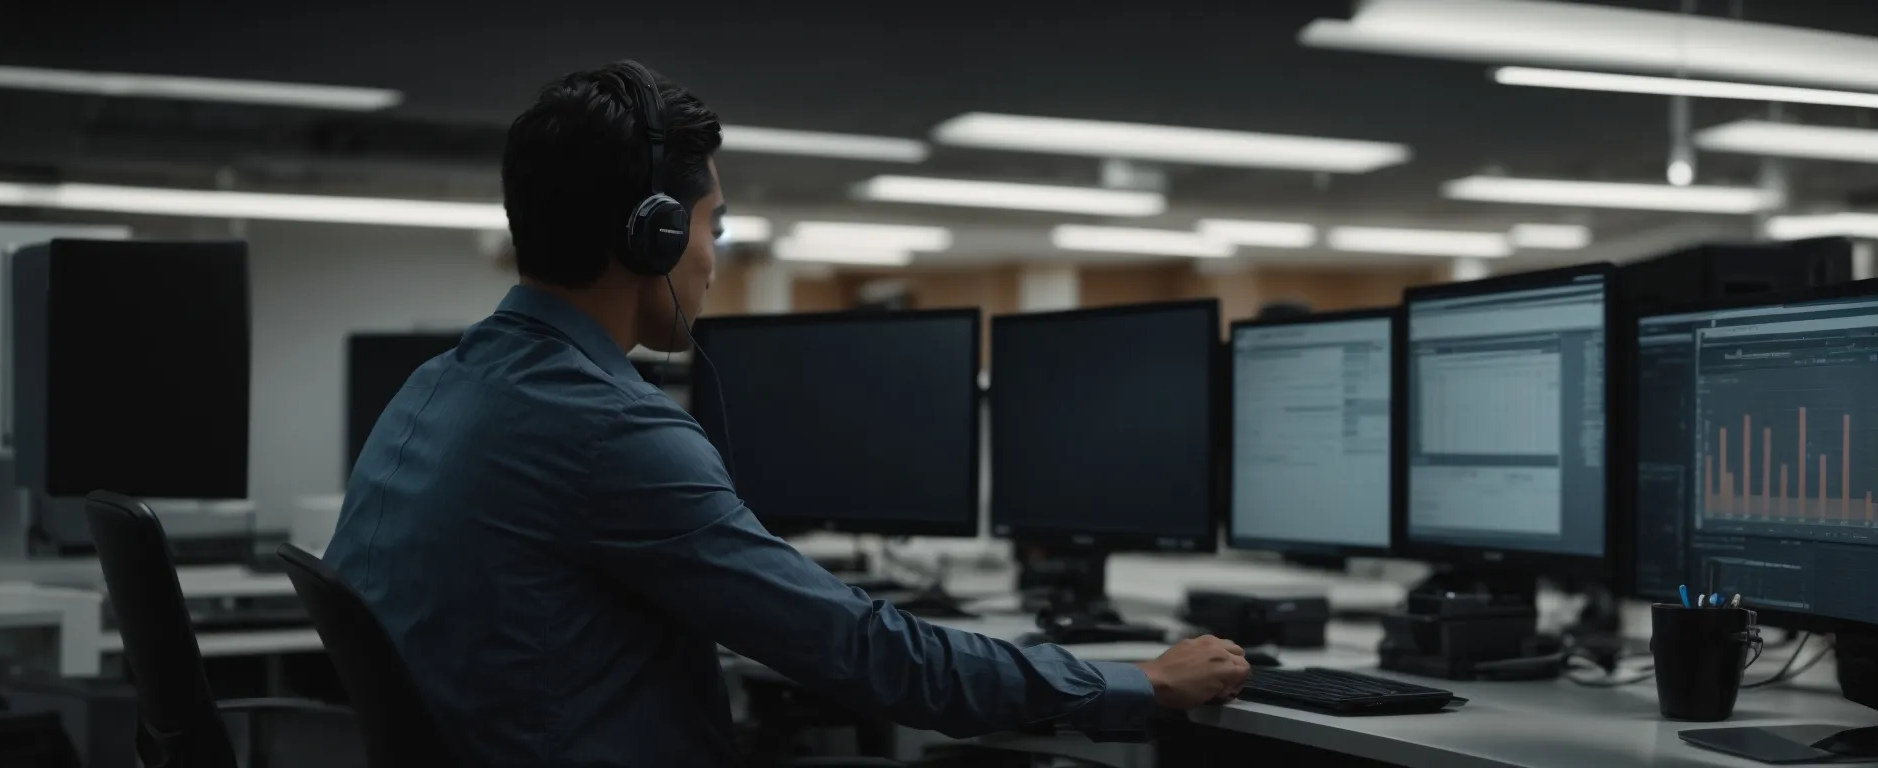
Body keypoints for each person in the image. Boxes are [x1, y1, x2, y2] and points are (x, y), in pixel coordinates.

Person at [325, 60, 1250, 766]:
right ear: (652, 233)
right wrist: (1136, 681)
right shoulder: (609, 429)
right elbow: (866, 654)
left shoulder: (436, 386)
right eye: (712, 226)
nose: (713, 259)